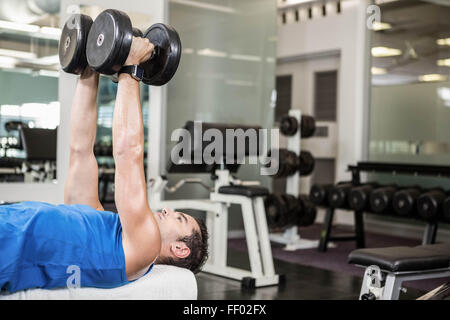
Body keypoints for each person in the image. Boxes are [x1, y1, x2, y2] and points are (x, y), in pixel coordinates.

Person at [0, 37, 208, 293]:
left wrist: (132, 70)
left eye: (179, 218)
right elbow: (80, 151)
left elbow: (128, 154)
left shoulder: (145, 247)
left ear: (180, 248)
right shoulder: (102, 227)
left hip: (9, 246)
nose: (166, 210)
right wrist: (88, 71)